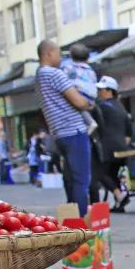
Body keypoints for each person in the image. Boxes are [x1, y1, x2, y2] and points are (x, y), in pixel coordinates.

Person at [35, 39, 94, 215]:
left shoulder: (38, 76)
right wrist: (89, 103)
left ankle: (72, 219)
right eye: (59, 54)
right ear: (49, 53)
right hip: (74, 131)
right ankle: (81, 221)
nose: (61, 58)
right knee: (81, 180)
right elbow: (79, 101)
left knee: (70, 179)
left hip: (59, 134)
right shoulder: (54, 73)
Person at [89, 76, 133, 212]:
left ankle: (118, 194)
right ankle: (120, 205)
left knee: (98, 173)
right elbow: (129, 132)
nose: (99, 92)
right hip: (122, 148)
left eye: (101, 90)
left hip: (107, 147)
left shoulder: (100, 106)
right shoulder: (121, 107)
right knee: (113, 175)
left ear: (109, 91)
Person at [62, 43, 100, 137]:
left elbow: (63, 82)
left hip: (80, 94)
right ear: (87, 58)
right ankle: (89, 122)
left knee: (75, 103)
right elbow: (94, 82)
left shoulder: (69, 68)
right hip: (91, 96)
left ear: (71, 57)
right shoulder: (90, 70)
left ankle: (90, 122)